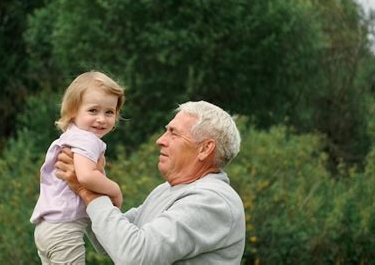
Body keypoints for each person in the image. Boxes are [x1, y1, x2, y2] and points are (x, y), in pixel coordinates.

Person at [56, 100, 246, 264]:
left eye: (173, 133)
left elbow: (134, 256)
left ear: (205, 149)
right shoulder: (166, 190)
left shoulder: (213, 201)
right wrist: (87, 176)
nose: (160, 140)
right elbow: (112, 240)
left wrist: (87, 189)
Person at [30, 71, 125, 265]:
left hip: (47, 228)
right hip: (64, 229)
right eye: (93, 111)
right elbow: (85, 176)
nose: (101, 119)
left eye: (109, 112)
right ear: (73, 110)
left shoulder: (71, 135)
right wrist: (115, 190)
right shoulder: (86, 139)